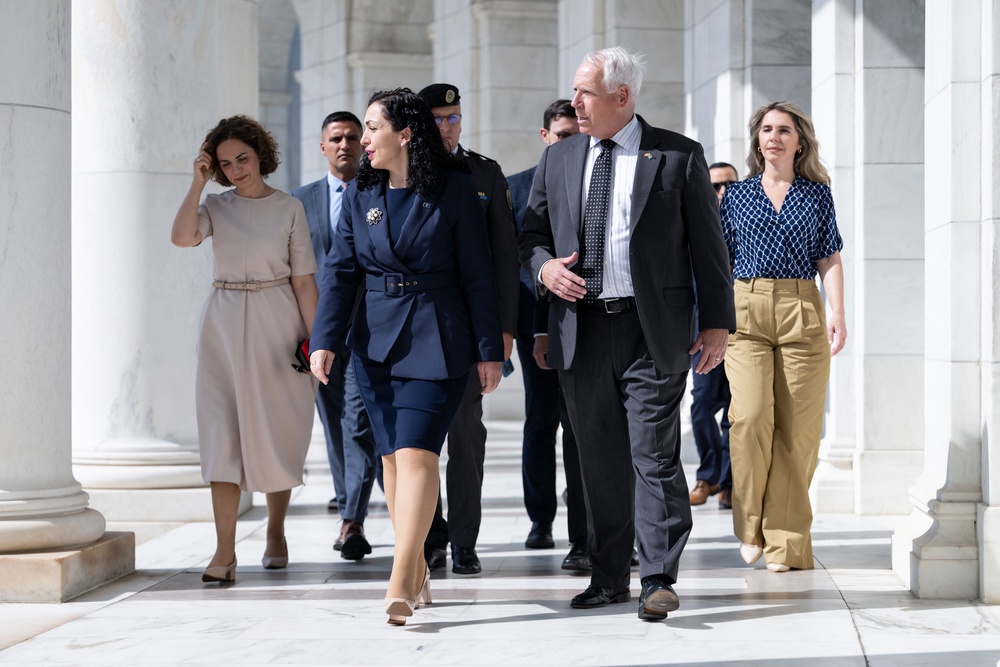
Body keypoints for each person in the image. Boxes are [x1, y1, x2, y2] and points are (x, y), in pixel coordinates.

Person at [518, 46, 735, 622]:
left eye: (585, 93)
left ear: (622, 97)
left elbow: (708, 248)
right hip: (579, 331)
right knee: (597, 458)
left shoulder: (677, 157)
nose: (575, 103)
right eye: (574, 92)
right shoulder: (559, 158)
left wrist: (717, 322)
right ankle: (608, 575)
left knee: (653, 456)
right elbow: (530, 233)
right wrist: (544, 268)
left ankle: (658, 575)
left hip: (650, 329)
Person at [309, 88, 503, 625]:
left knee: (418, 454)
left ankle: (399, 577)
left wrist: (490, 350)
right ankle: (415, 565)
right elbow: (341, 274)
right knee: (392, 460)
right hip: (373, 344)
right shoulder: (360, 194)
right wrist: (324, 340)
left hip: (437, 337)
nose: (364, 139)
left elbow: (478, 276)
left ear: (405, 133)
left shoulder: (457, 191)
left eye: (372, 128)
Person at [171, 115, 318, 583]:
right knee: (221, 433)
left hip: (278, 321)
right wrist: (196, 186)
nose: (236, 169)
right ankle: (224, 552)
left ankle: (275, 530)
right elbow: (181, 237)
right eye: (225, 163)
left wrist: (318, 345)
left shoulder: (290, 207)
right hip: (223, 320)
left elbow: (303, 280)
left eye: (243, 159)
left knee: (276, 427)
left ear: (260, 156)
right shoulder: (216, 205)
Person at [721, 101, 846, 573]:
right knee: (751, 418)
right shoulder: (735, 196)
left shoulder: (817, 195)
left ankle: (786, 543)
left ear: (800, 141)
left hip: (802, 307)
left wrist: (838, 311)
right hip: (746, 307)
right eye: (766, 130)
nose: (774, 137)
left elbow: (829, 256)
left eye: (784, 130)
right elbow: (720, 262)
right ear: (758, 140)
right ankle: (751, 526)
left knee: (799, 433)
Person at [416, 83, 520, 575]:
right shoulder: (400, 173)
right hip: (414, 327)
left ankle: (463, 540)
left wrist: (502, 333)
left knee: (466, 436)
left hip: (467, 327)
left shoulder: (485, 172)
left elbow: (504, 257)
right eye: (436, 118)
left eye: (453, 117)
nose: (446, 126)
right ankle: (428, 537)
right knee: (419, 441)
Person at [291, 111, 378, 561]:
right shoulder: (298, 201)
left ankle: (352, 518)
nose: (344, 144)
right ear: (322, 146)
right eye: (335, 138)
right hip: (318, 334)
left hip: (370, 330)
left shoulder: (380, 189)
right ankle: (357, 506)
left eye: (351, 137)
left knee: (358, 424)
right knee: (334, 425)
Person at [507, 99, 589, 571]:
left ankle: (585, 527)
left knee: (581, 428)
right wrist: (536, 330)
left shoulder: (592, 177)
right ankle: (541, 519)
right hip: (535, 325)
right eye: (560, 135)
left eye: (574, 133)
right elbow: (520, 259)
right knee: (541, 423)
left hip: (584, 322)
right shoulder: (515, 188)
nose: (568, 142)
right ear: (544, 137)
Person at [688, 162, 739, 510]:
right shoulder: (694, 224)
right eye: (716, 186)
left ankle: (729, 483)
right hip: (703, 331)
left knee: (738, 412)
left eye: (729, 186)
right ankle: (708, 475)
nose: (722, 192)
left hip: (746, 332)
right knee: (702, 405)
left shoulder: (749, 222)